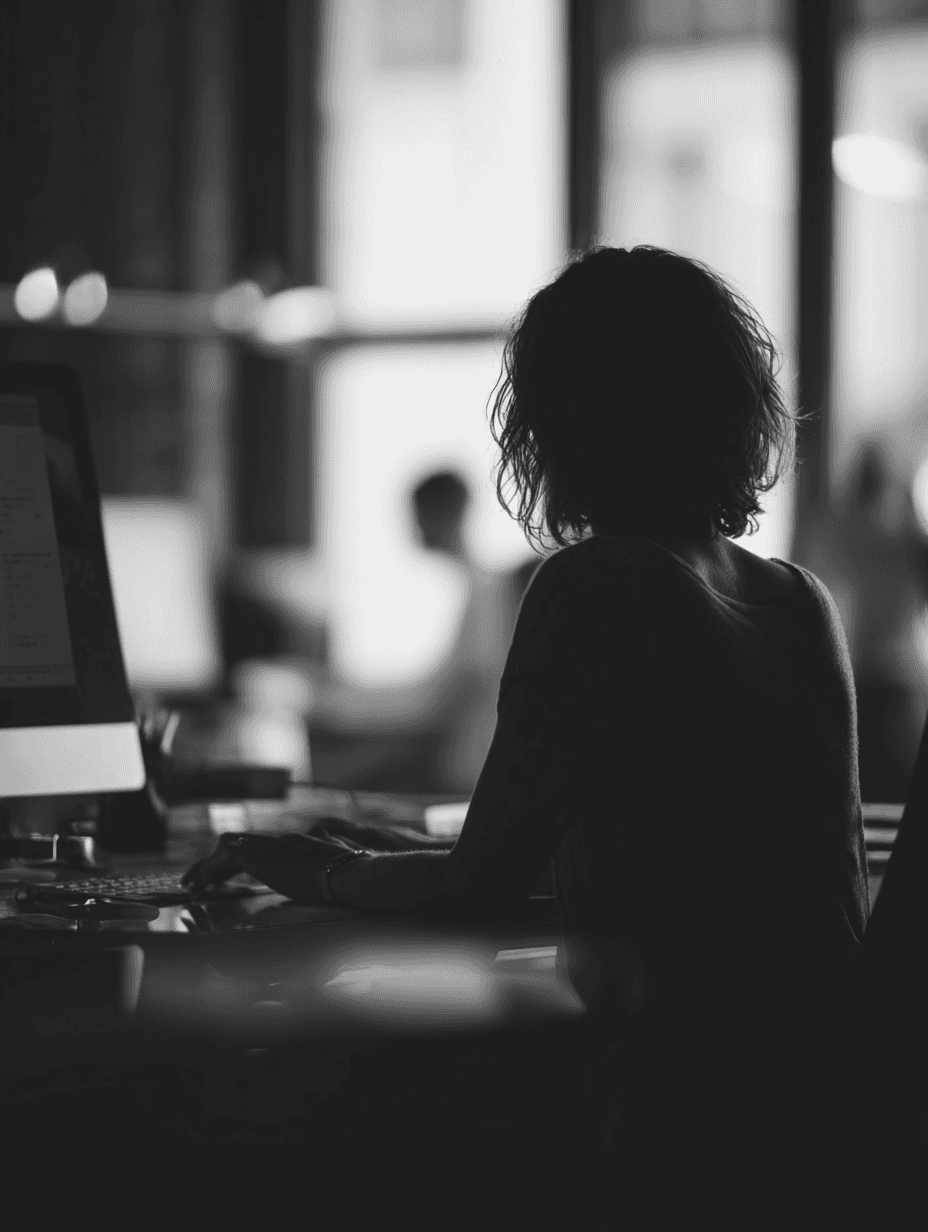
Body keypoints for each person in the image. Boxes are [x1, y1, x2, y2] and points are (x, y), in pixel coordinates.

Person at [184, 246, 870, 1218]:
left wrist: (310, 869)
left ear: (559, 418)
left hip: (672, 1116)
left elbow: (478, 889)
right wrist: (376, 850)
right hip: (820, 1114)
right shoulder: (803, 601)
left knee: (285, 1130)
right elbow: (711, 872)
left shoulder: (595, 584)